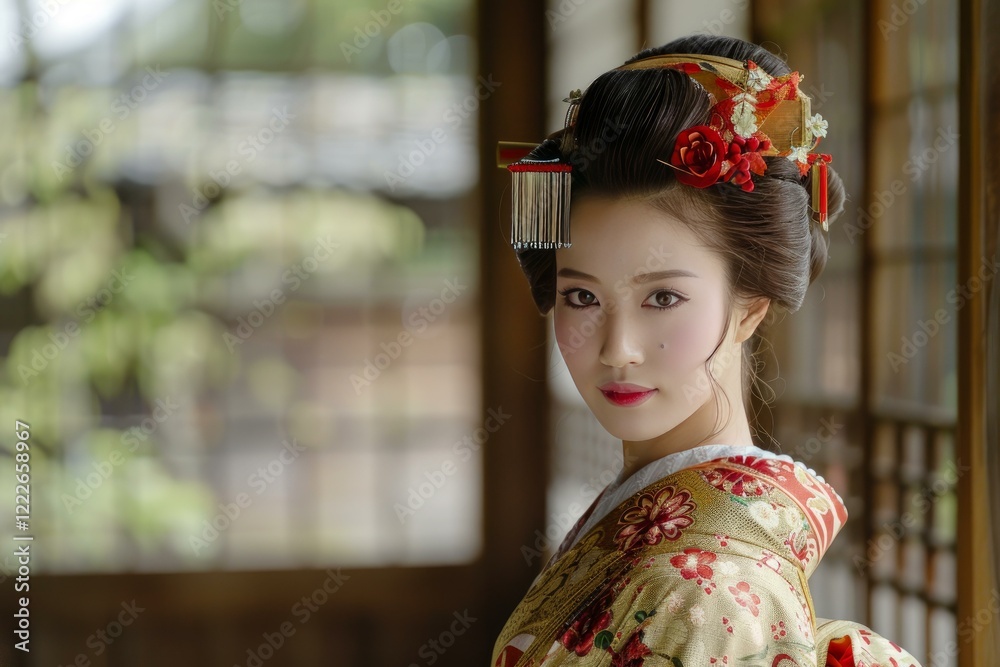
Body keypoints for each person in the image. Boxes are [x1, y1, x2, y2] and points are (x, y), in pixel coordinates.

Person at [491, 35, 924, 667]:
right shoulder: (639, 525)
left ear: (750, 306)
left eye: (663, 297)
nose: (618, 349)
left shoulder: (705, 590)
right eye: (582, 297)